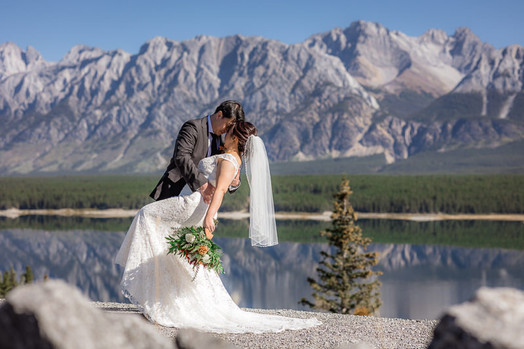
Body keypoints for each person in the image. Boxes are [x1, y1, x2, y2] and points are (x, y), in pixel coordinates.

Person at [115, 121, 321, 333]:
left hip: (193, 203)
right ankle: (162, 300)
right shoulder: (235, 160)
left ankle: (152, 290)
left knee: (146, 214)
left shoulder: (229, 159)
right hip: (199, 205)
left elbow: (221, 190)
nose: (224, 132)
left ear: (234, 137)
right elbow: (224, 186)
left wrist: (210, 217)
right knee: (168, 243)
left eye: (229, 131)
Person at [149, 100, 244, 203]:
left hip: (201, 202)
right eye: (228, 125)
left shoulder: (222, 141)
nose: (228, 131)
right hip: (175, 192)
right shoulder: (193, 127)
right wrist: (202, 184)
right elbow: (181, 156)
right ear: (219, 115)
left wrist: (234, 182)